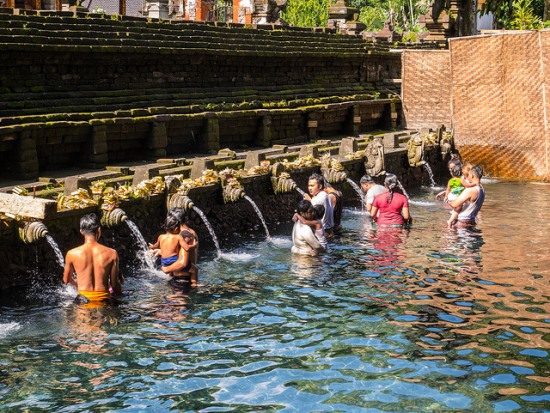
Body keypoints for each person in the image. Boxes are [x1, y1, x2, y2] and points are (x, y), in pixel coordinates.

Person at [62, 213, 121, 305]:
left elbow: (66, 280)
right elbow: (114, 284)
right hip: (104, 300)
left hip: (83, 300)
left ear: (81, 231)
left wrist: (79, 286)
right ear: (99, 230)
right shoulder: (112, 253)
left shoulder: (71, 254)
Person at [151, 214, 199, 288]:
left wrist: (153, 247)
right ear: (176, 229)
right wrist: (194, 246)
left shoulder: (161, 236)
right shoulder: (178, 237)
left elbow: (156, 245)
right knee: (194, 270)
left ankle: (171, 274)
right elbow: (186, 249)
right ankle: (194, 283)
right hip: (176, 266)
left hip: (164, 261)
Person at [303, 173, 334, 239]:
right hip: (328, 230)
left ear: (320, 186)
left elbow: (312, 209)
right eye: (309, 186)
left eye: (312, 186)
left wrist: (308, 200)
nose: (310, 188)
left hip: (323, 232)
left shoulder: (321, 196)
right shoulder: (325, 195)